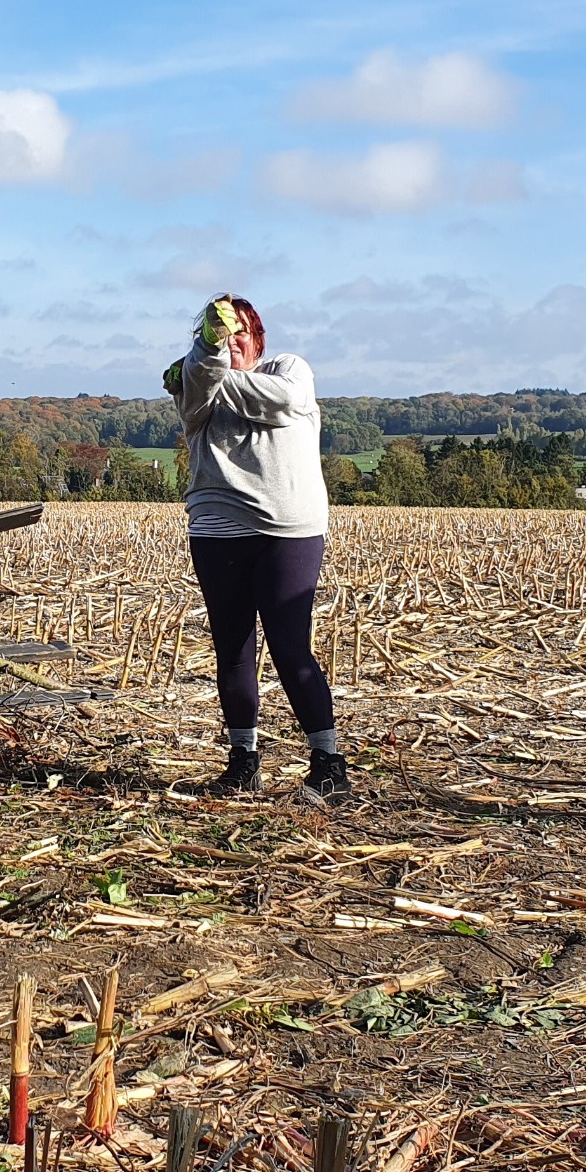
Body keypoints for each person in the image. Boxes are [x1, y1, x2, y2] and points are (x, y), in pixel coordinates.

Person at [162, 294, 348, 802]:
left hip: (288, 530)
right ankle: (243, 763)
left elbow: (282, 401)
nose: (232, 340)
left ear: (258, 339)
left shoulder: (290, 369)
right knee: (233, 652)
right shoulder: (196, 387)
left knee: (290, 647)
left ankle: (329, 766)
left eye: (239, 331)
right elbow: (195, 402)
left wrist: (201, 369)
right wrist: (203, 359)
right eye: (221, 333)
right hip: (217, 529)